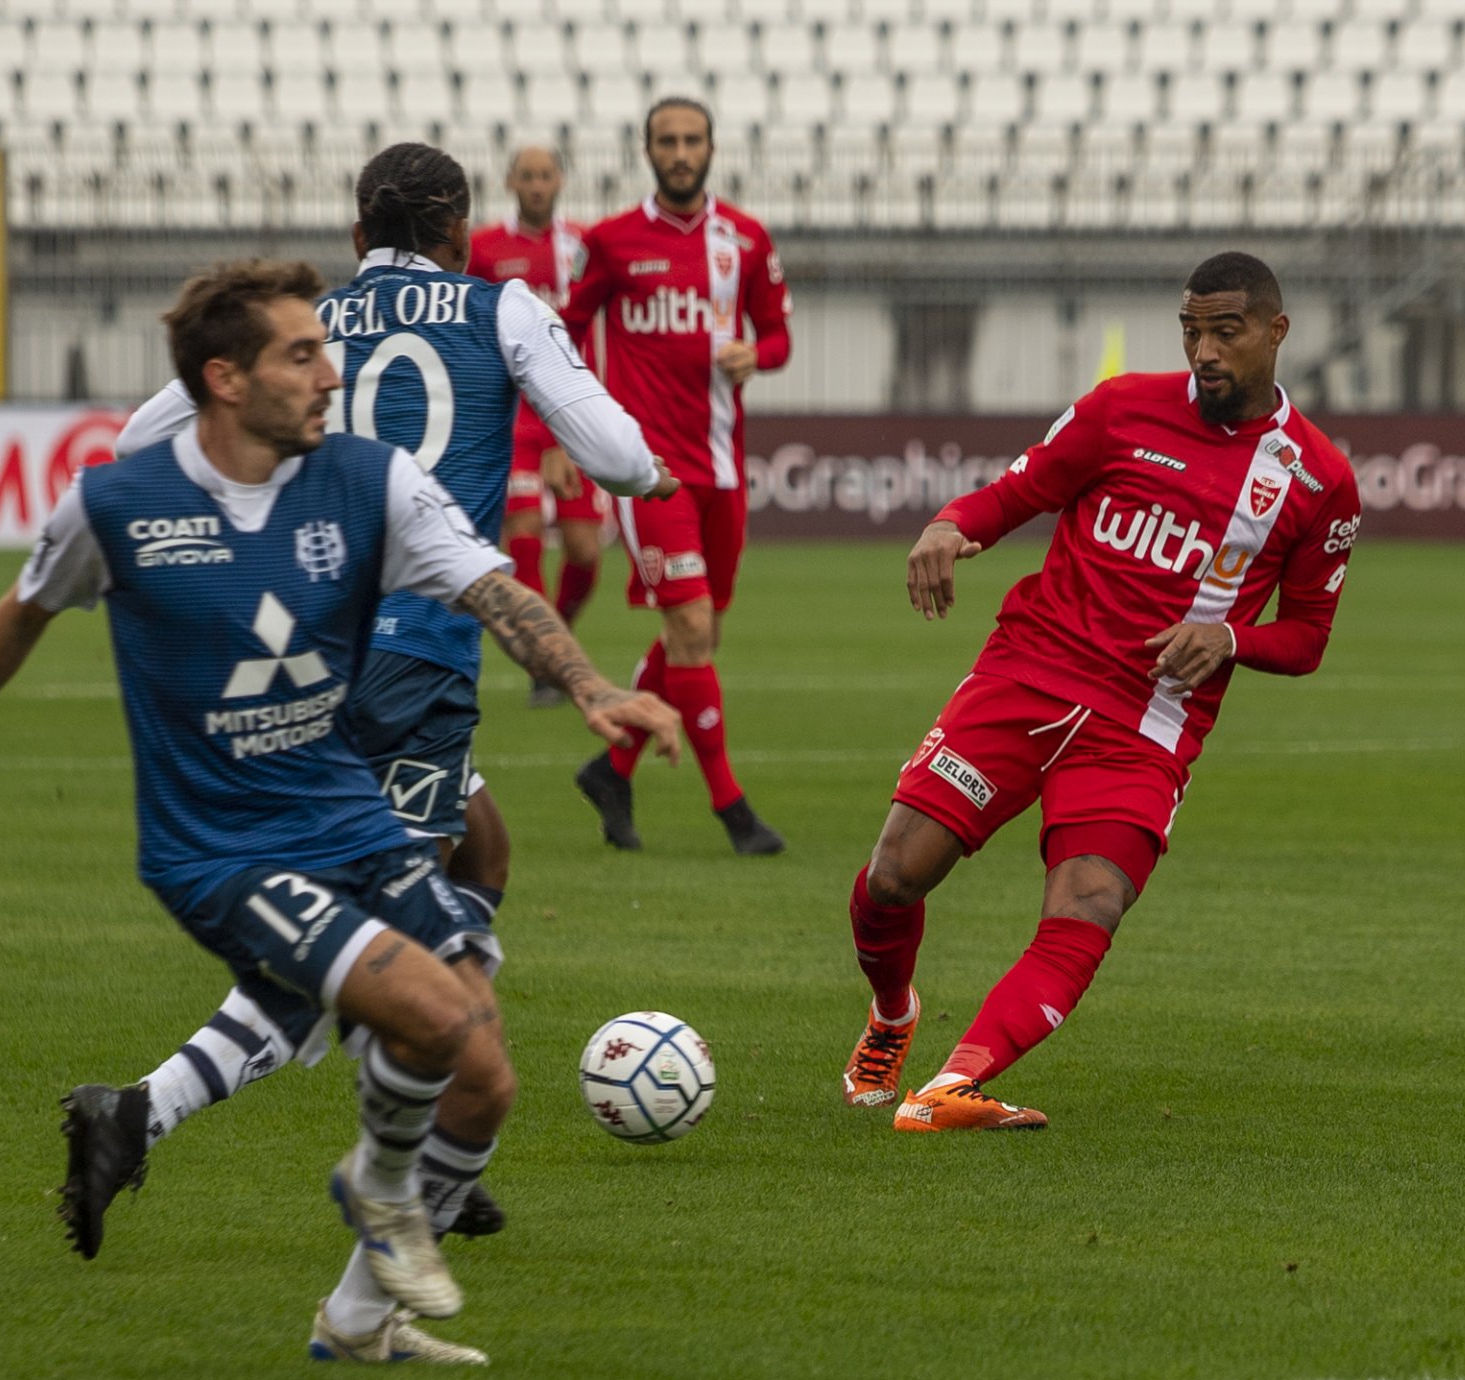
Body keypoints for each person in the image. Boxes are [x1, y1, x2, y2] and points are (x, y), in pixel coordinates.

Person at [0, 259, 680, 1360]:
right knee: (432, 1019)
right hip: (220, 852)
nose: (331, 375)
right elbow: (19, 615)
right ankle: (381, 1198)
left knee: (484, 1081)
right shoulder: (118, 503)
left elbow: (492, 587)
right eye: (303, 355)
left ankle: (354, 1321)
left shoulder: (368, 481)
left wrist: (588, 685)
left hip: (346, 815)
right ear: (225, 378)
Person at [63, 143, 681, 1263]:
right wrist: (654, 477)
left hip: (310, 638)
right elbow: (623, 459)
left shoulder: (304, 326)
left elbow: (140, 439)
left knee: (480, 851)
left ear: (358, 237)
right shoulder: (503, 307)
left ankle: (452, 1148)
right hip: (419, 657)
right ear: (463, 234)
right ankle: (145, 1111)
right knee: (364, 935)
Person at [838, 252, 1363, 1132]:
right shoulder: (1119, 410)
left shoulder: (1317, 480)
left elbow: (1307, 638)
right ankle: (892, 1016)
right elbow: (1016, 493)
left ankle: (951, 1087)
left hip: (1145, 724)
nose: (1204, 351)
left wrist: (1228, 636)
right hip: (1028, 675)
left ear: (1276, 333)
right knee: (894, 876)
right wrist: (949, 524)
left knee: (1089, 902)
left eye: (1225, 332)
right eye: (1192, 330)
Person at [560, 97, 793, 856]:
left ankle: (613, 765)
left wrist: (756, 355)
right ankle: (733, 810)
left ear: (712, 148)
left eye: (692, 139)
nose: (681, 151)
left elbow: (780, 334)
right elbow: (559, 333)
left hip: (722, 465)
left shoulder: (747, 241)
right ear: (647, 150)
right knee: (691, 627)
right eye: (668, 140)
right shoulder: (611, 241)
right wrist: (567, 431)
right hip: (646, 470)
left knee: (698, 629)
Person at [467, 146, 603, 709]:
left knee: (585, 553)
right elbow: (470, 325)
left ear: (560, 182)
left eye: (546, 175)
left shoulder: (583, 247)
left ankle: (556, 634)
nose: (537, 185)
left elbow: (589, 333)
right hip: (513, 414)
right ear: (509, 182)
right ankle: (547, 667)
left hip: (570, 413)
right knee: (523, 535)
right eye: (527, 176)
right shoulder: (484, 249)